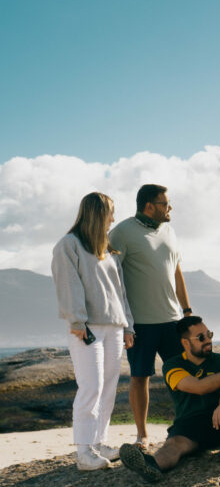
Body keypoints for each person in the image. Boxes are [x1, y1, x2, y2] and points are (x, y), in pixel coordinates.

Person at [51, 192, 136, 471]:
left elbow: (120, 293)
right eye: (110, 212)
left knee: (109, 386)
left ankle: (99, 443)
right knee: (91, 386)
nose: (113, 218)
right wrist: (77, 322)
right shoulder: (69, 244)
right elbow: (68, 285)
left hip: (114, 326)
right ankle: (84, 453)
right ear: (97, 213)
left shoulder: (108, 249)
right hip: (87, 328)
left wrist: (128, 326)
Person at [109, 184, 192, 450]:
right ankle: (142, 434)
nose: (170, 208)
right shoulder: (121, 233)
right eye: (165, 204)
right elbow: (112, 279)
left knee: (181, 374)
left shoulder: (169, 230)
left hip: (172, 319)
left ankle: (184, 426)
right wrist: (123, 323)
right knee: (140, 377)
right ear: (149, 205)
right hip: (141, 324)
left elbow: (177, 272)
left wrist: (187, 312)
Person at [119, 316, 220, 482]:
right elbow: (199, 387)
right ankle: (151, 466)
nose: (208, 340)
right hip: (190, 425)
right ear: (185, 343)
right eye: (201, 338)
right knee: (173, 445)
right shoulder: (173, 366)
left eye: (209, 334)